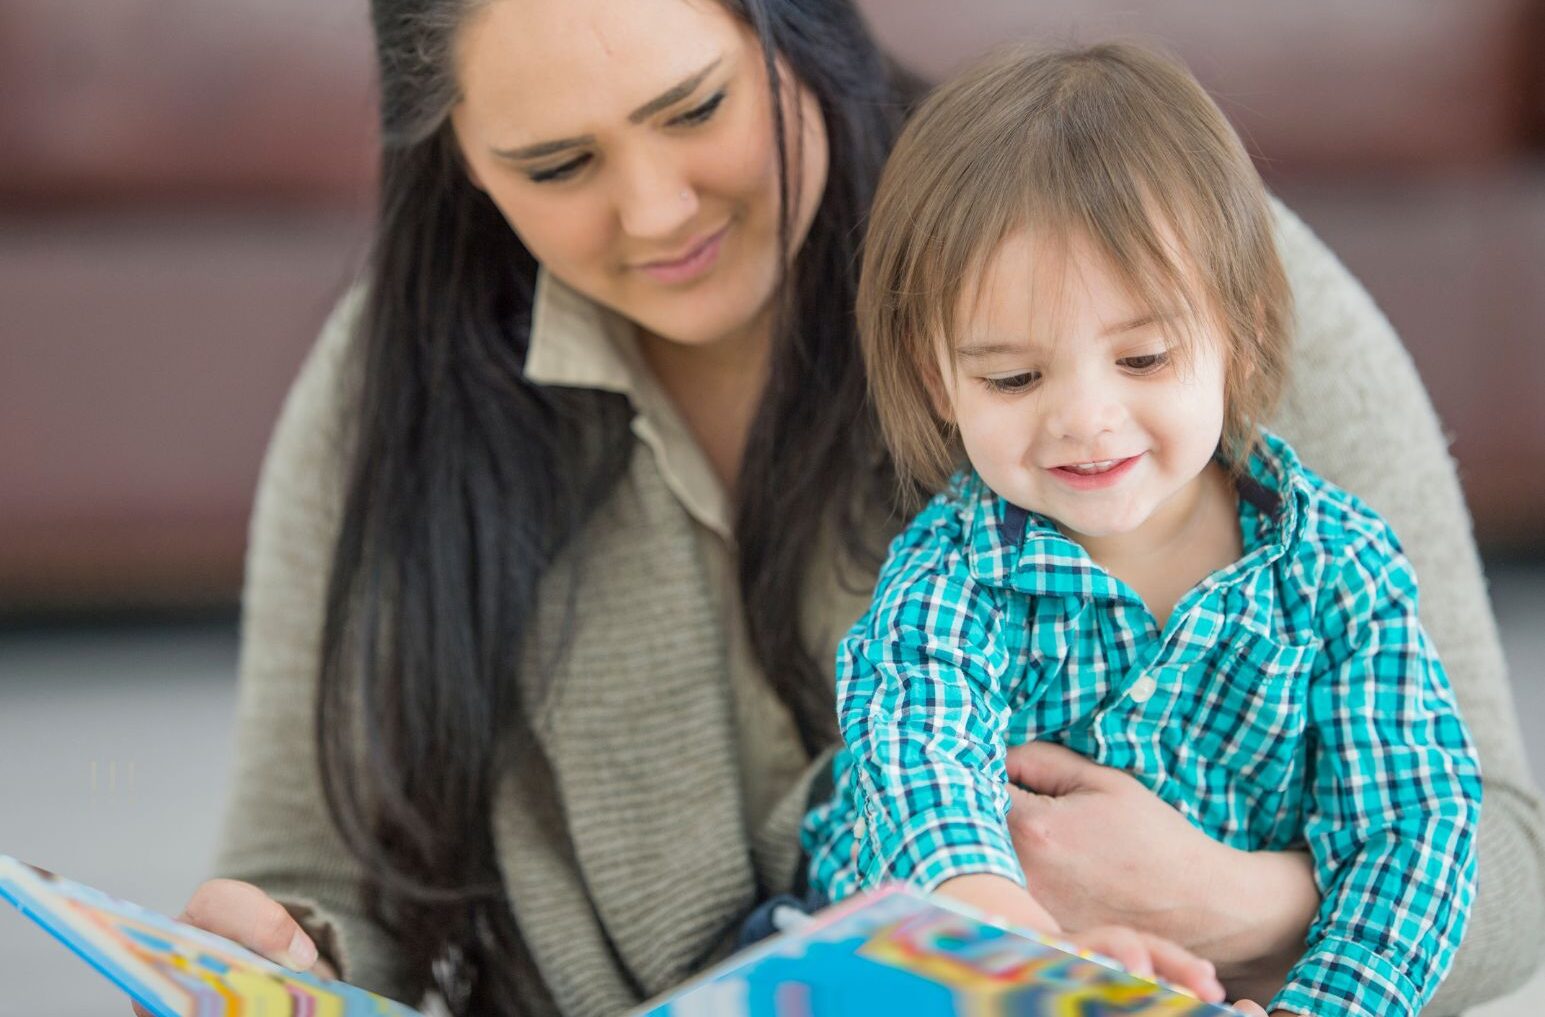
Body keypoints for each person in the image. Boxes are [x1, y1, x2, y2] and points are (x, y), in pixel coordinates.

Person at [150, 1, 1545, 1015]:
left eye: (695, 109)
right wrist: (283, 958)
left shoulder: (1147, 266)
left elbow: (1501, 855)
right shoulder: (392, 389)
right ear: (455, 149)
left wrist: (1235, 902)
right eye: (556, 165)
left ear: (798, 30)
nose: (655, 210)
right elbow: (316, 879)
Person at [799, 41, 1481, 1017]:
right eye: (1013, 378)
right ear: (935, 378)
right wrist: (1017, 946)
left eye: (1145, 358)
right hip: (951, 966)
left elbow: (1412, 827)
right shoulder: (952, 576)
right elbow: (918, 759)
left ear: (1240, 335)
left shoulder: (1339, 570)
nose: (1085, 419)